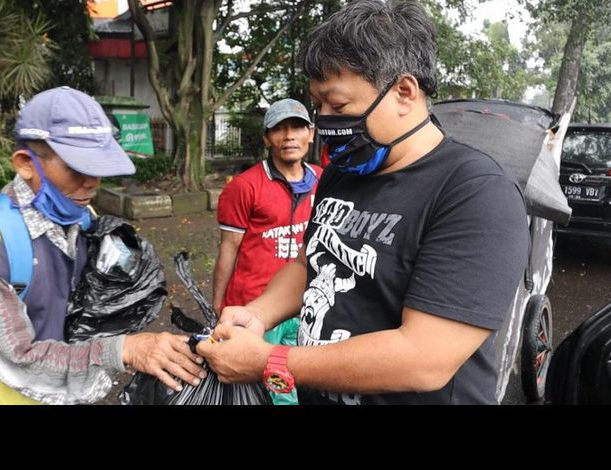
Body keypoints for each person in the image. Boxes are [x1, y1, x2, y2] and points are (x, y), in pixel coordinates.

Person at [197, 0, 530, 405]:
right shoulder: (342, 173)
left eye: (337, 106)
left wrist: (271, 360)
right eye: (319, 105)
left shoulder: (475, 193)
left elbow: (424, 358)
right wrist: (259, 314)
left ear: (404, 92)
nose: (323, 120)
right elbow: (311, 264)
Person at [0, 86, 206, 404]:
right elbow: (19, 359)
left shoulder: (79, 218)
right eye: (78, 168)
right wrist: (125, 349)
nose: (92, 183)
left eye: (99, 168)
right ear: (26, 163)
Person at [212, 99, 322, 404]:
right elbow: (229, 247)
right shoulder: (244, 187)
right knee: (263, 388)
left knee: (300, 377)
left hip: (304, 303)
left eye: (298, 127)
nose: (289, 136)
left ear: (311, 133)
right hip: (257, 305)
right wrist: (218, 303)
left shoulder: (324, 181)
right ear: (266, 138)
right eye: (279, 129)